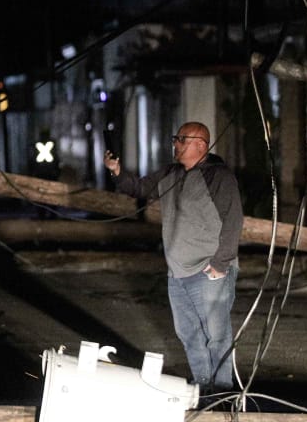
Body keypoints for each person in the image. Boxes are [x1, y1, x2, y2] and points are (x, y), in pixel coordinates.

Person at [104, 121, 242, 392]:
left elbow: (234, 220)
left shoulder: (219, 176)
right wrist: (117, 172)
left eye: (181, 139)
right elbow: (140, 188)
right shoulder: (170, 173)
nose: (175, 144)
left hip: (209, 270)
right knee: (189, 334)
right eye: (175, 138)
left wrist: (220, 264)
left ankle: (223, 391)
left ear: (201, 145)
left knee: (217, 335)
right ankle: (203, 388)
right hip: (177, 273)